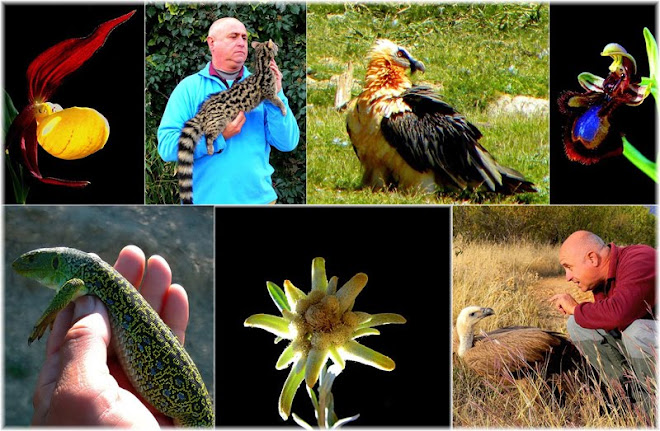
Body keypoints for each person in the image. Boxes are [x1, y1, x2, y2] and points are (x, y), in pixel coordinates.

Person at [31, 246, 191, 426]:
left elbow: (74, 285)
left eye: (32, 259)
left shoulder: (82, 278)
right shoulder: (89, 274)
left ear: (55, 262)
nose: (26, 262)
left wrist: (49, 314)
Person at [157, 17, 300, 204]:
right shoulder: (189, 88)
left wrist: (277, 94)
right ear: (212, 43)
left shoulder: (260, 85)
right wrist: (219, 137)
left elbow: (287, 143)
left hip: (259, 201)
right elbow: (166, 147)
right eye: (233, 36)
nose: (241, 42)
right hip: (206, 207)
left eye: (244, 38)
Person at [549, 230, 656, 403]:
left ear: (592, 258)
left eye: (569, 267)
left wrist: (576, 308)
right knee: (577, 324)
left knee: (637, 331)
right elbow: (610, 322)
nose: (567, 277)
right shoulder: (602, 282)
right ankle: (626, 396)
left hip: (648, 341)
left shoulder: (641, 258)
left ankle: (651, 401)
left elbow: (619, 314)